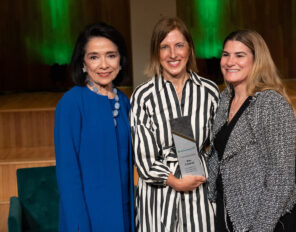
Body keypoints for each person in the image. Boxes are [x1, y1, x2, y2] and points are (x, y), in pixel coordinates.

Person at [206, 29, 296, 232]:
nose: (230, 61)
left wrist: (260, 228)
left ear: (257, 60)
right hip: (229, 211)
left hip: (266, 218)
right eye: (226, 54)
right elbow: (221, 154)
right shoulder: (225, 98)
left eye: (240, 55)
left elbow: (281, 177)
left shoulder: (271, 103)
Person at [130, 17, 219, 232]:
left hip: (199, 188)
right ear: (156, 52)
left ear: (190, 48)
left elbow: (218, 147)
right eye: (164, 47)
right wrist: (175, 182)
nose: (173, 54)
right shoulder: (143, 96)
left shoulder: (209, 92)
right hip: (159, 193)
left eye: (179, 45)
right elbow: (144, 157)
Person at [54, 22, 134, 232]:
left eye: (111, 55)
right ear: (83, 62)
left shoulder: (124, 101)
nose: (103, 65)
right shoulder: (71, 103)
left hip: (125, 210)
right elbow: (67, 173)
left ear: (120, 60)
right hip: (89, 214)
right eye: (94, 57)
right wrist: (78, 224)